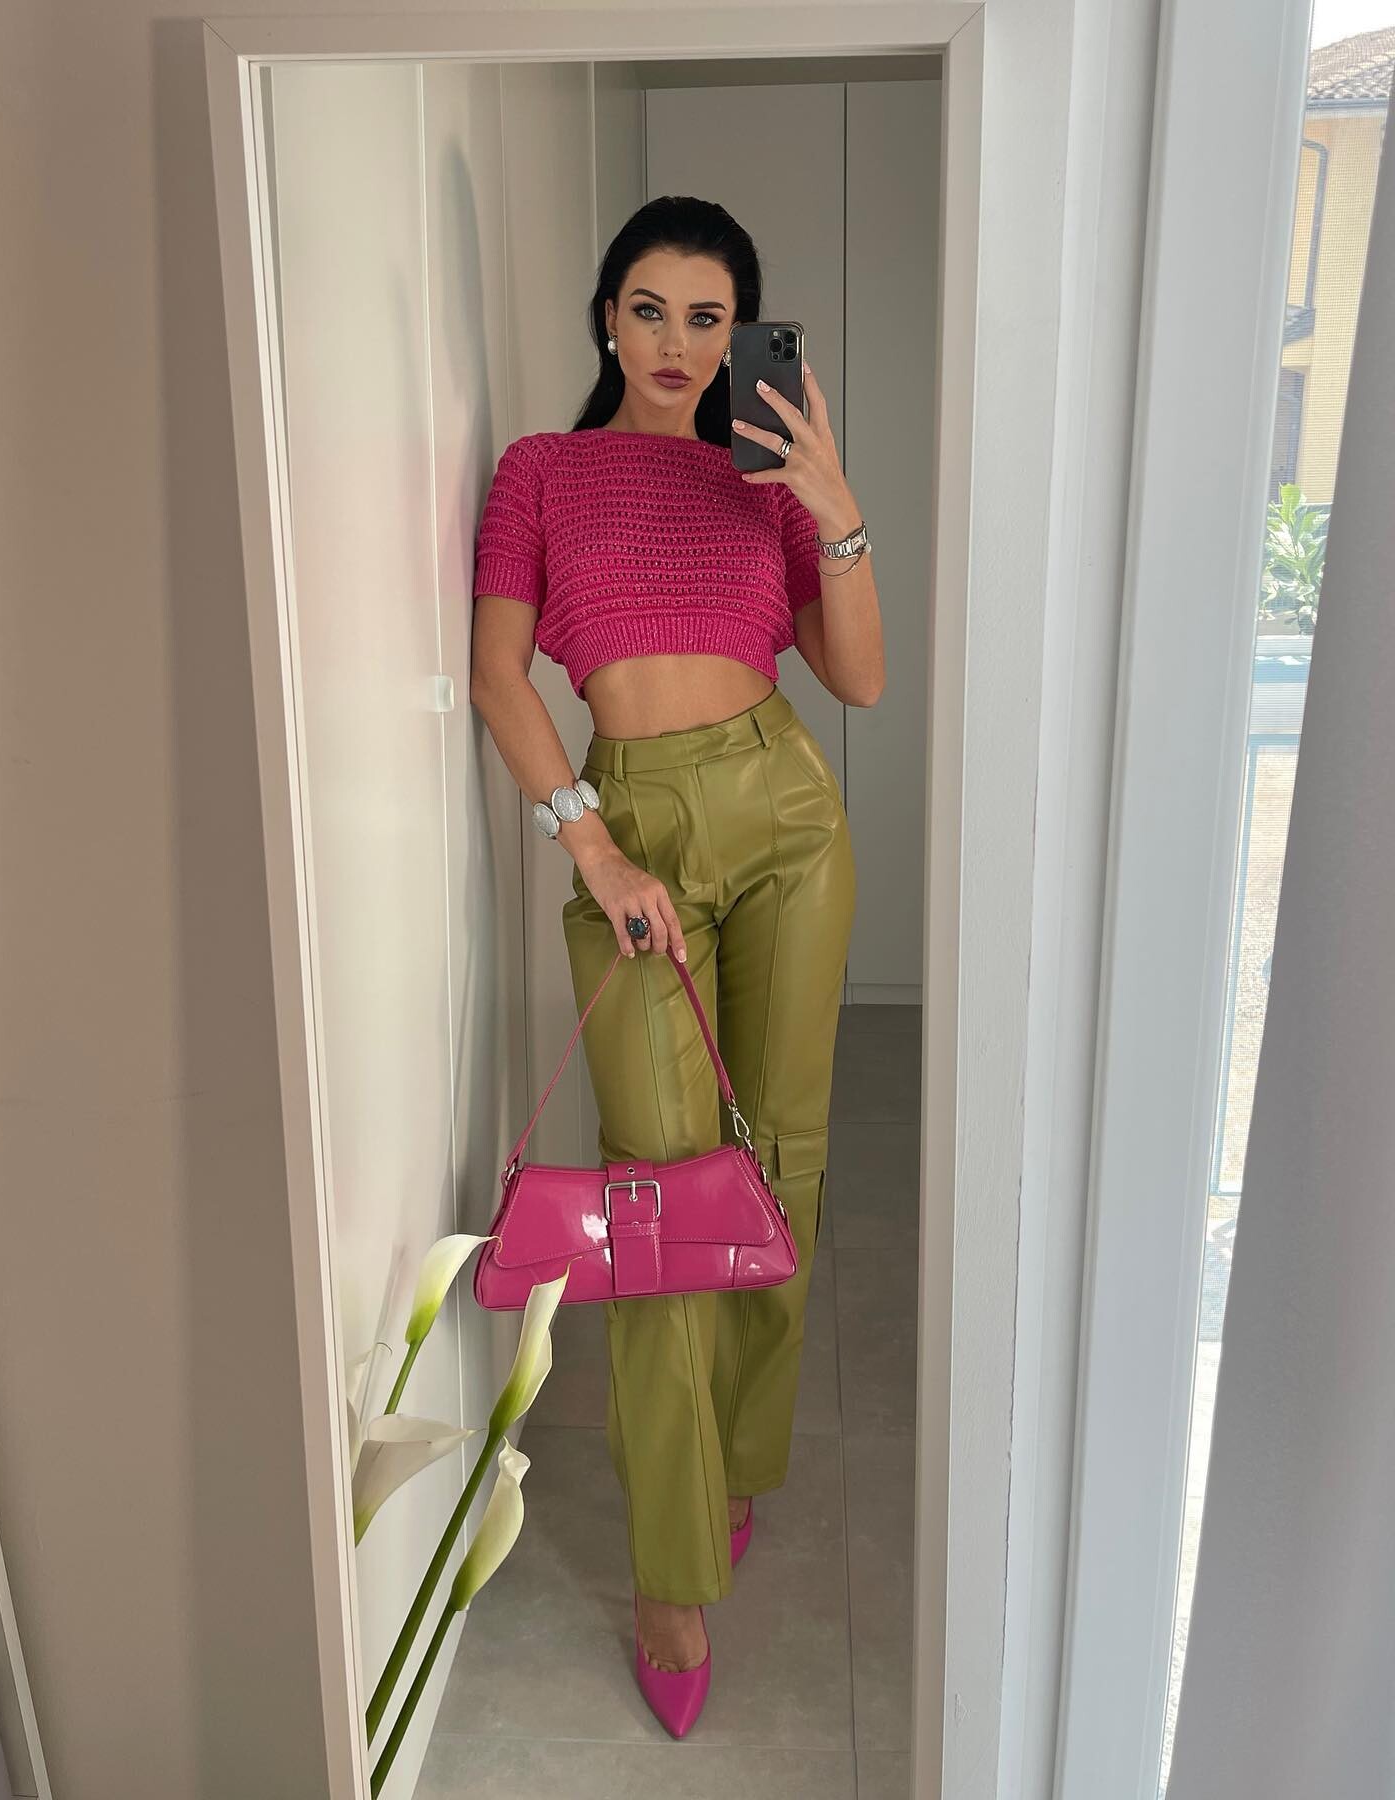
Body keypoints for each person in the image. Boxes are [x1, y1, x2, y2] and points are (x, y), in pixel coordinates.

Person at [469, 194, 883, 1736]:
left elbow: (858, 677)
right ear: (607, 317)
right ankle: (668, 1575)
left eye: (709, 319)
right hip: (631, 824)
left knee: (781, 1165)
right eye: (649, 309)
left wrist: (835, 508)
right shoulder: (542, 471)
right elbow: (496, 675)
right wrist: (591, 846)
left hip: (786, 817)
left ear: (741, 337)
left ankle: (734, 1471)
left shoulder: (762, 487)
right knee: (657, 1199)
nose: (677, 344)